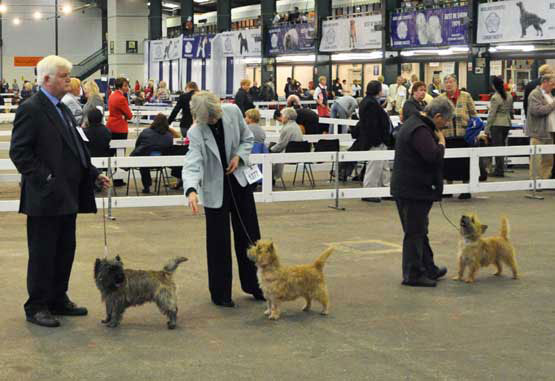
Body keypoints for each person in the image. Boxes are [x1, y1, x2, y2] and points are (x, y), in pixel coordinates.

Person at [9, 55, 111, 327]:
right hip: (45, 198)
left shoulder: (64, 109)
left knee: (65, 250)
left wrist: (94, 174)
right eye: (64, 76)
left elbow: (78, 148)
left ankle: (58, 298)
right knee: (43, 254)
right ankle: (37, 306)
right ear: (46, 79)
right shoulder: (31, 108)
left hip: (69, 196)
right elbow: (19, 152)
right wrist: (48, 178)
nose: (69, 80)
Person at [182, 91, 264, 307]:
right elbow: (192, 162)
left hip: (240, 185)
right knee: (218, 243)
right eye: (207, 119)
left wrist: (239, 156)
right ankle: (221, 294)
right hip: (214, 190)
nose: (212, 121)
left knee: (250, 237)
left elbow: (247, 139)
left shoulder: (234, 111)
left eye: (214, 116)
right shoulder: (196, 131)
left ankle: (256, 285)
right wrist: (191, 190)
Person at [390, 97, 453, 287]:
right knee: (414, 232)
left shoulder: (415, 123)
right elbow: (432, 156)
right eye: (446, 121)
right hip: (412, 189)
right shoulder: (420, 130)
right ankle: (413, 274)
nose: (446, 125)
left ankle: (428, 267)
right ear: (438, 116)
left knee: (419, 230)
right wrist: (441, 143)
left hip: (410, 187)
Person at [440, 74, 477, 200]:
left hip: (463, 136)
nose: (449, 84)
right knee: (448, 164)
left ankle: (466, 189)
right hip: (447, 135)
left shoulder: (466, 96)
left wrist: (474, 131)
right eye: (446, 82)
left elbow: (474, 115)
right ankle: (448, 189)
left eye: (451, 82)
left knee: (464, 165)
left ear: (456, 84)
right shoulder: (441, 98)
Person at [358, 80, 393, 203]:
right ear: (378, 90)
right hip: (376, 141)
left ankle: (386, 190)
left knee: (384, 167)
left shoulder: (369, 102)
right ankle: (369, 192)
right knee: (374, 167)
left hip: (379, 141)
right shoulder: (370, 104)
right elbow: (371, 125)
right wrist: (377, 141)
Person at [131, 113, 174, 194]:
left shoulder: (146, 131)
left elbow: (137, 145)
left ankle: (146, 186)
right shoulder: (169, 135)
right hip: (161, 162)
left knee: (143, 161)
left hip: (145, 161)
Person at [526, 74, 555, 180]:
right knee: (536, 159)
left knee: (548, 159)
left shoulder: (550, 95)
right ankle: (534, 182)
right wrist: (553, 105)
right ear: (545, 82)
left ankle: (544, 180)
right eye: (552, 84)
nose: (553, 87)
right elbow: (537, 111)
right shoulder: (535, 94)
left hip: (549, 132)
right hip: (538, 132)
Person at [485, 76, 513, 177]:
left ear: (494, 86)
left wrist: (486, 129)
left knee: (497, 147)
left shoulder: (495, 97)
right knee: (502, 147)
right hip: (507, 123)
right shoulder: (509, 96)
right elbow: (511, 110)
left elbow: (492, 114)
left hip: (497, 124)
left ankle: (498, 170)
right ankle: (500, 169)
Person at [270, 107, 303, 180]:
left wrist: (270, 150)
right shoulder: (296, 126)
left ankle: (270, 178)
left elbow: (281, 145)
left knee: (268, 155)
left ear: (287, 117)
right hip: (299, 152)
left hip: (290, 154)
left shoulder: (287, 128)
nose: (281, 117)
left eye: (282, 115)